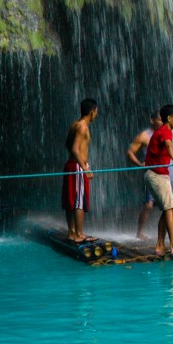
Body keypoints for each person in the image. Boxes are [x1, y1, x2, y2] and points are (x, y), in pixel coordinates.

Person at [144, 104, 173, 257]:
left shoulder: (162, 131)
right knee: (170, 209)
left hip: (157, 175)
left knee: (166, 209)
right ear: (169, 119)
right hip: (157, 175)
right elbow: (169, 145)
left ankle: (160, 246)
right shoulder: (165, 131)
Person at [62, 98, 99, 243]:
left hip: (71, 164)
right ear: (92, 112)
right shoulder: (83, 127)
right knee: (79, 201)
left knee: (71, 199)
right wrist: (84, 167)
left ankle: (71, 232)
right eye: (96, 112)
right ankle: (79, 234)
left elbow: (67, 144)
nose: (96, 114)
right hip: (78, 166)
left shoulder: (75, 124)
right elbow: (74, 148)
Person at [126, 110, 163, 240]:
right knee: (148, 205)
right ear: (152, 120)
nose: (162, 122)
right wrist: (139, 164)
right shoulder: (144, 135)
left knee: (171, 205)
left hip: (166, 173)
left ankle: (166, 232)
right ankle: (139, 232)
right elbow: (130, 152)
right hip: (151, 174)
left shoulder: (166, 133)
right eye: (160, 119)